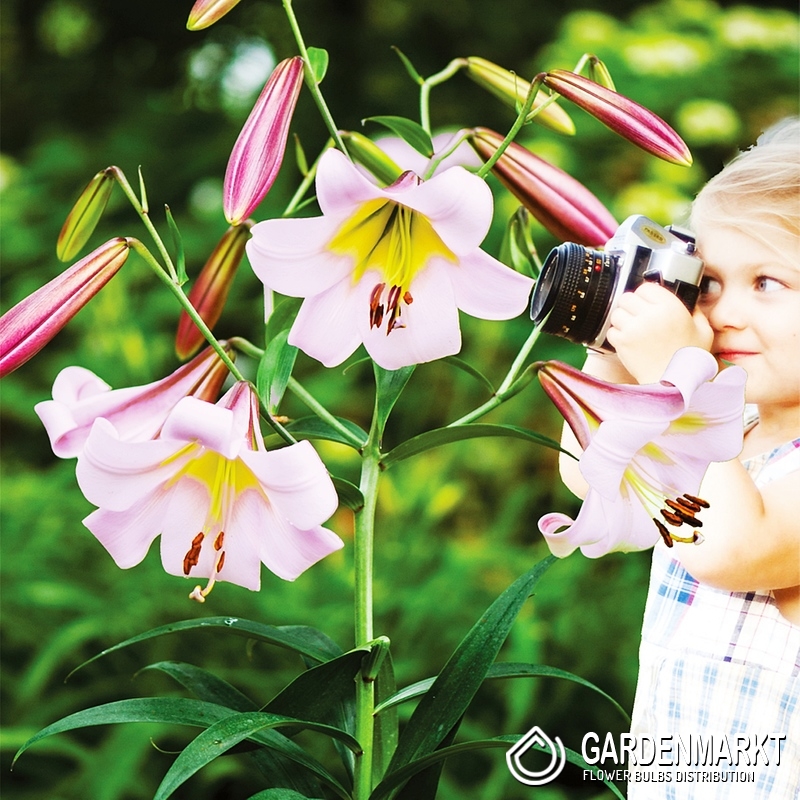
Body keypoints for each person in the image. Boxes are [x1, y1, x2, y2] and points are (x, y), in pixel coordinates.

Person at [558, 118, 800, 798]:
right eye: (713, 282)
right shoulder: (736, 425)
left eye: (769, 283)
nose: (723, 313)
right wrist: (611, 353)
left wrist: (676, 367)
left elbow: (731, 546)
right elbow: (589, 478)